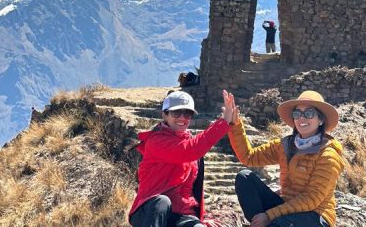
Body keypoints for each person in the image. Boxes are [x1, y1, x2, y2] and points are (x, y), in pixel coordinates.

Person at [227, 90, 344, 227]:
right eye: (297, 113)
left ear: (321, 120)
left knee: (278, 223)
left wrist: (269, 215)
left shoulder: (328, 155)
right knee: (245, 178)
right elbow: (249, 157)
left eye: (309, 113)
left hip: (316, 214)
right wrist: (235, 124)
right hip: (286, 207)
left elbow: (312, 199)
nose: (302, 118)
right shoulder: (284, 145)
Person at [128, 90, 235, 227]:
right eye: (176, 112)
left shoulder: (190, 146)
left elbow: (192, 189)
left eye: (188, 113)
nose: (182, 118)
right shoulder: (156, 141)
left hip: (180, 214)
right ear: (164, 115)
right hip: (150, 212)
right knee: (162, 201)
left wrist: (201, 219)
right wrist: (224, 122)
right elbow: (189, 150)